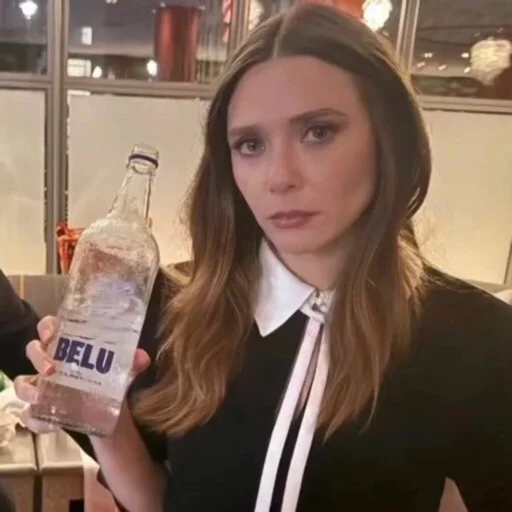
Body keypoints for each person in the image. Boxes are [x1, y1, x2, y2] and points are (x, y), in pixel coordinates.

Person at [12, 4, 512, 511]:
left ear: (390, 138)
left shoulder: (478, 339)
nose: (279, 176)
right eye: (250, 144)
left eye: (318, 132)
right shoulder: (176, 308)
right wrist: (106, 415)